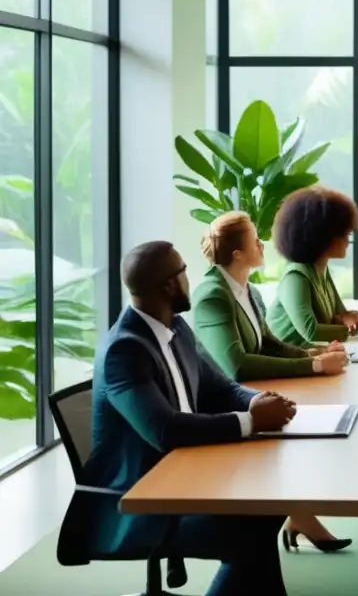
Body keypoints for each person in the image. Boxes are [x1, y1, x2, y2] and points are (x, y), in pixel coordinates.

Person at [77, 241, 296, 596]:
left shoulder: (176, 328)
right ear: (167, 286)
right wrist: (252, 421)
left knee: (267, 508)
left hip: (188, 477)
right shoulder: (125, 349)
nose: (189, 279)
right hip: (139, 502)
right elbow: (166, 430)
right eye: (183, 272)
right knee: (251, 533)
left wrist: (263, 401)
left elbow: (222, 387)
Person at [191, 211, 353, 554]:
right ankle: (298, 516)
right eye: (254, 240)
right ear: (237, 254)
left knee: (315, 419)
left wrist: (314, 354)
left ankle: (300, 515)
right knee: (297, 425)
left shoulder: (246, 289)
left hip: (248, 395)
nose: (262, 244)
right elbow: (235, 365)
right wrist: (313, 367)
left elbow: (268, 342)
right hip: (218, 408)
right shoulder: (212, 295)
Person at [266, 186, 358, 347]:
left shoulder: (321, 269)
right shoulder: (295, 277)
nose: (348, 240)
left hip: (313, 356)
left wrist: (348, 318)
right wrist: (346, 328)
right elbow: (310, 331)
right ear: (321, 235)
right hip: (286, 362)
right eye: (344, 233)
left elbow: (340, 313)